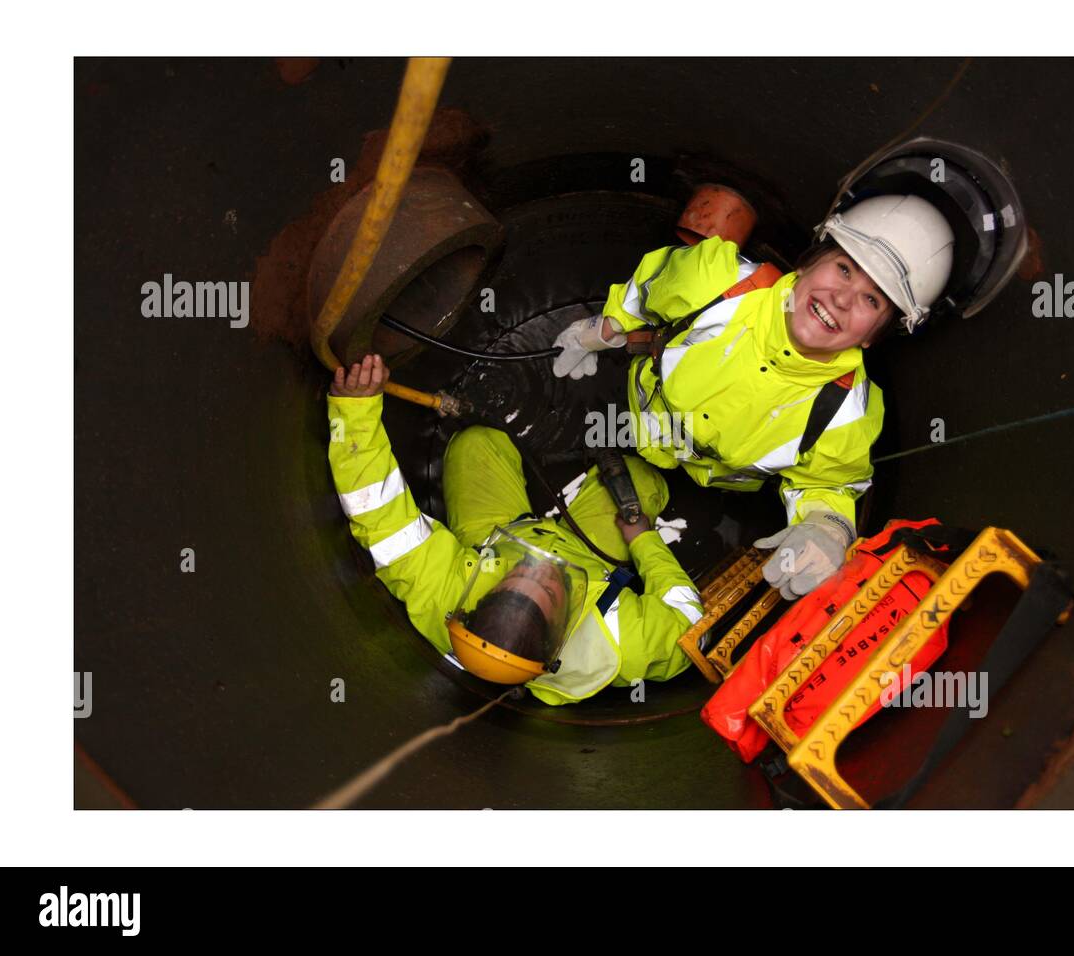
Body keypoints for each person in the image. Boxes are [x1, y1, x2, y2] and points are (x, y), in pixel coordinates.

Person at [551, 193, 956, 600]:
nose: (843, 299)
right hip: (634, 410)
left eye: (872, 300)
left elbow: (830, 483)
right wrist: (602, 330)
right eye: (845, 269)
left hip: (708, 481)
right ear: (807, 263)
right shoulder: (713, 280)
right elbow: (649, 288)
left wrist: (829, 527)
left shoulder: (847, 413)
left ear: (873, 337)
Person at [327, 354, 704, 705]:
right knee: (641, 479)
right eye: (545, 588)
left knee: (477, 442)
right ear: (562, 630)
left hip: (498, 538)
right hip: (586, 560)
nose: (535, 569)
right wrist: (644, 541)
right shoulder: (623, 641)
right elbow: (688, 623)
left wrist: (354, 412)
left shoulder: (443, 598)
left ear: (475, 602)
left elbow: (377, 512)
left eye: (514, 581)